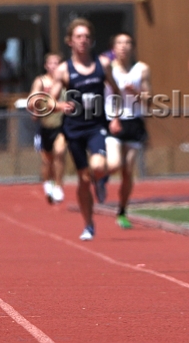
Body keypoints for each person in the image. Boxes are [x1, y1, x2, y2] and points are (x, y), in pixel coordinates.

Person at [49, 18, 122, 241]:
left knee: (99, 166)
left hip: (96, 126)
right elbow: (48, 102)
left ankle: (100, 180)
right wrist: (61, 105)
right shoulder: (64, 70)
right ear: (70, 41)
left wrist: (116, 117)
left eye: (87, 37)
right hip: (74, 130)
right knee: (82, 179)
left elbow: (116, 90)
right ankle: (89, 224)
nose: (83, 40)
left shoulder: (103, 65)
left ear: (92, 41)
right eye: (79, 37)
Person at [104, 33, 151, 229]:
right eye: (119, 43)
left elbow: (148, 99)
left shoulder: (142, 69)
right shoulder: (107, 67)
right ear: (113, 47)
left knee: (128, 171)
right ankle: (100, 177)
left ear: (132, 47)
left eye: (127, 43)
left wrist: (135, 92)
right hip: (112, 120)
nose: (123, 47)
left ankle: (122, 211)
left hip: (134, 121)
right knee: (113, 164)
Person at [29, 53, 67, 204]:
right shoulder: (41, 81)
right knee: (47, 161)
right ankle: (48, 183)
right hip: (45, 126)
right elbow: (32, 98)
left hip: (62, 125)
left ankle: (58, 186)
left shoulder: (65, 81)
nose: (54, 66)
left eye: (57, 63)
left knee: (59, 153)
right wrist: (36, 107)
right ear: (46, 66)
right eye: (51, 63)